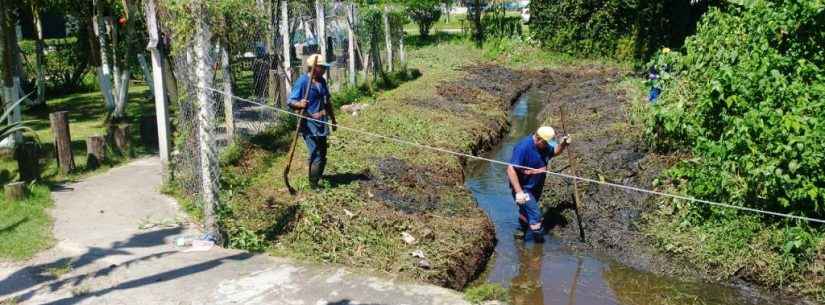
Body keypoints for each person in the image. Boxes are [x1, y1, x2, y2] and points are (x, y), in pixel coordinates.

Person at [507, 126, 570, 241]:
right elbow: (511, 169)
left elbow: (554, 152)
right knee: (536, 217)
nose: (547, 146)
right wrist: (519, 192)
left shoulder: (544, 146)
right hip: (524, 188)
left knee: (526, 211)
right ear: (539, 139)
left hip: (535, 187)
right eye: (546, 143)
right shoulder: (523, 148)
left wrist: (563, 144)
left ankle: (519, 234)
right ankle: (538, 248)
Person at [288, 54, 337, 189]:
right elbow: (290, 101)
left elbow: (327, 102)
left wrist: (333, 119)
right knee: (316, 153)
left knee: (323, 152)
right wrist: (299, 104)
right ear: (314, 68)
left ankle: (317, 175)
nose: (325, 70)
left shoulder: (322, 81)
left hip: (322, 122)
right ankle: (313, 185)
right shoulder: (303, 82)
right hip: (309, 124)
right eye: (322, 67)